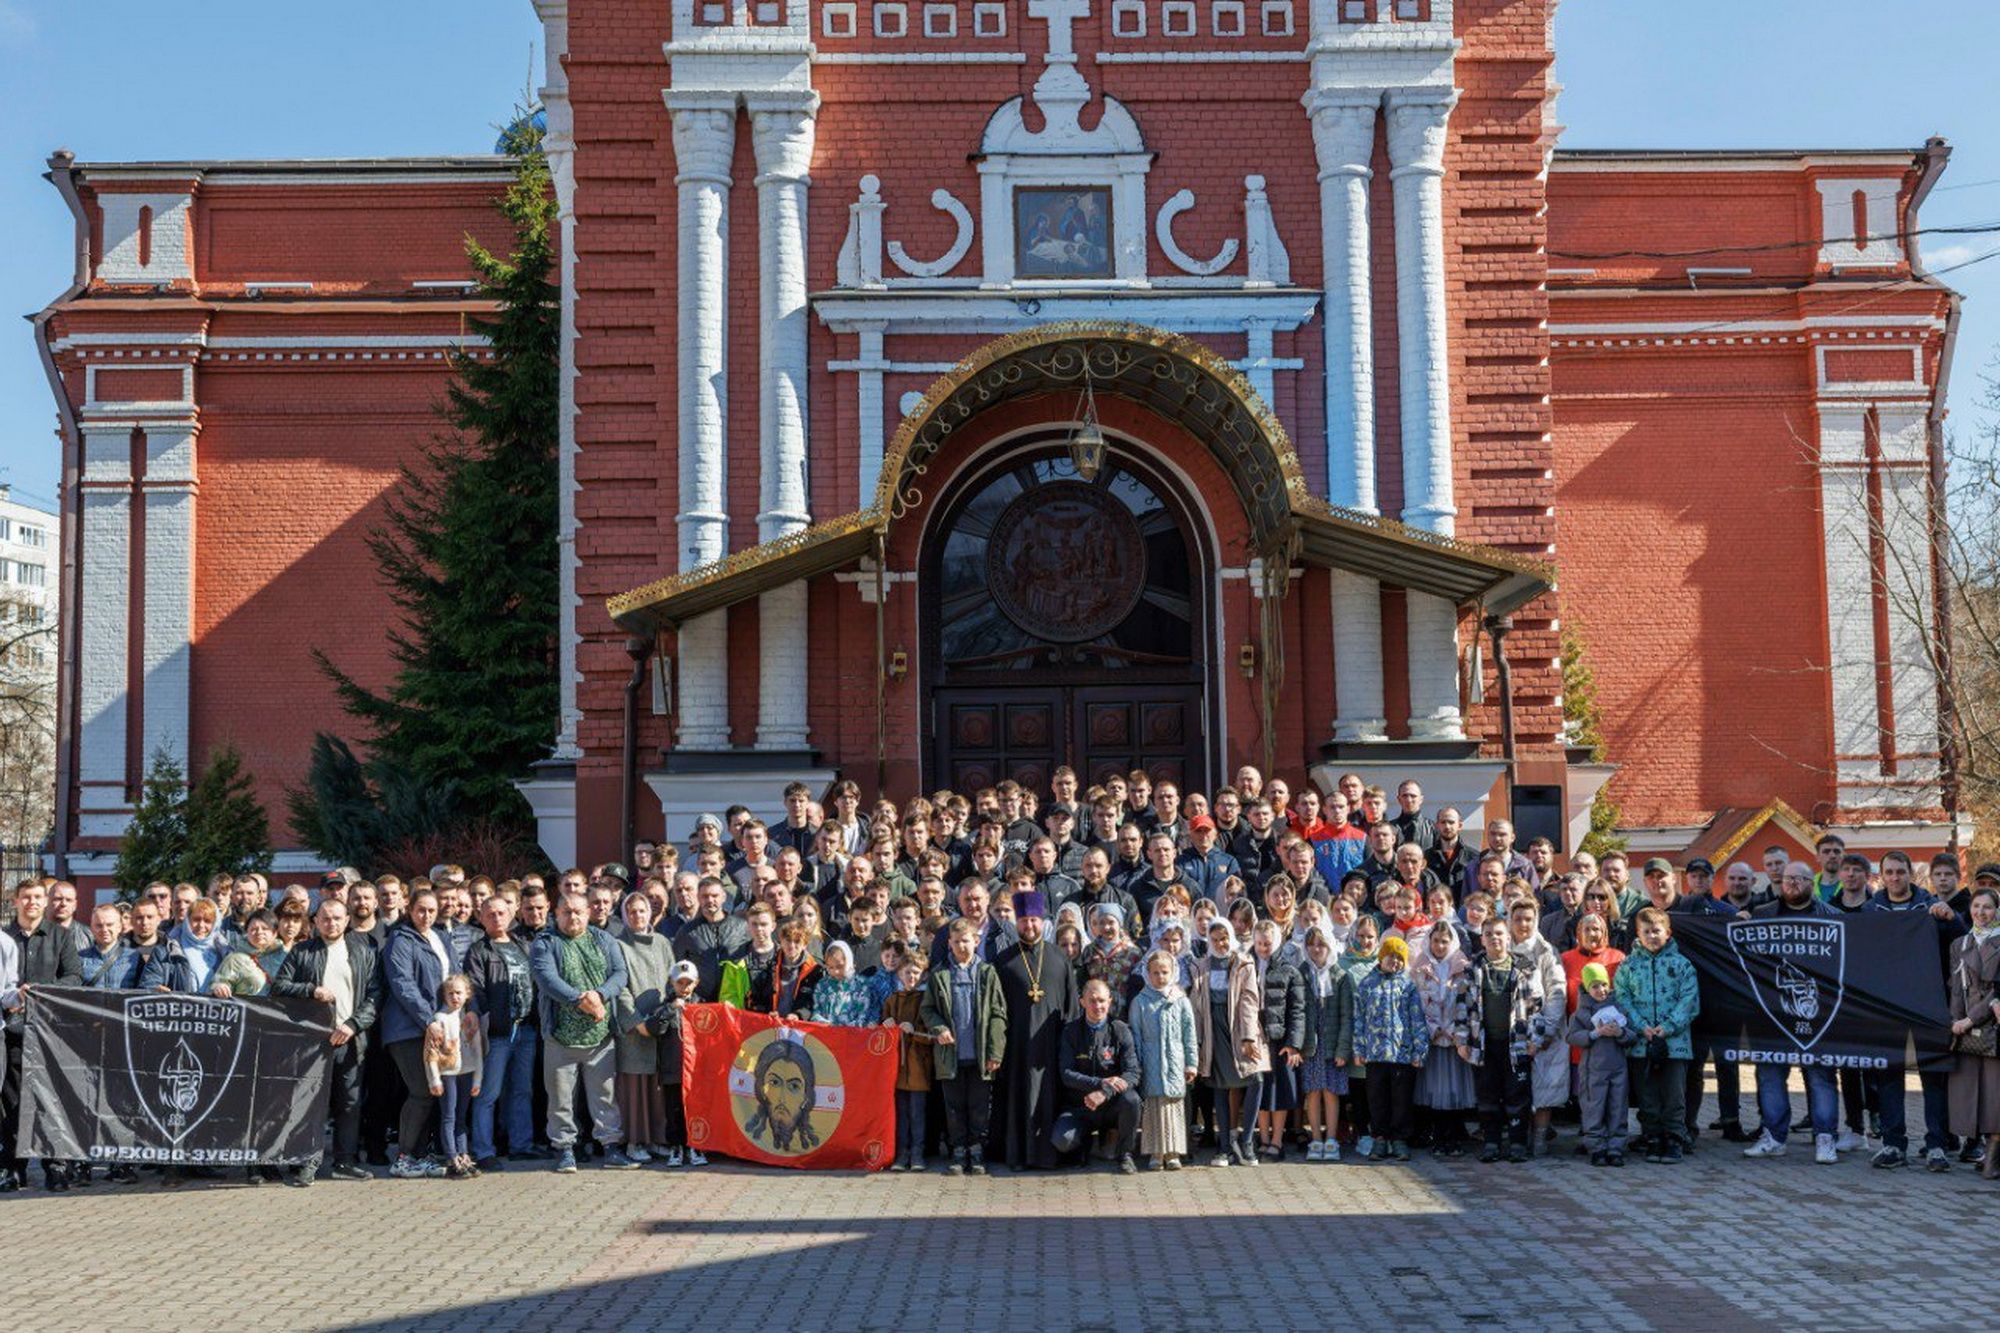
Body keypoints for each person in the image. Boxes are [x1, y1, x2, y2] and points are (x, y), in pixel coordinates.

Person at [271, 896, 379, 1184]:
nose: (331, 923)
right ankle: (307, 1162)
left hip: (350, 1039)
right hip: (312, 1042)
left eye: (337, 918)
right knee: (310, 1103)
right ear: (316, 922)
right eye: (326, 918)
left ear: (347, 921)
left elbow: (375, 995)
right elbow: (279, 987)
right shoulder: (302, 952)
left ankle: (345, 1161)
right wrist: (311, 990)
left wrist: (353, 1024)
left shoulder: (363, 952)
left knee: (349, 1103)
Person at [531, 890, 640, 1174]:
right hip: (560, 1037)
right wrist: (583, 1001)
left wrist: (599, 995)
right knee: (560, 1098)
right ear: (556, 914)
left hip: (600, 1037)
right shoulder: (545, 942)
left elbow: (620, 973)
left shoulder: (604, 940)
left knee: (604, 1096)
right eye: (566, 912)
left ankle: (611, 1147)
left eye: (578, 911)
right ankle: (565, 1149)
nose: (573, 917)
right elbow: (547, 979)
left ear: (588, 913)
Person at [1743, 862, 1844, 1164]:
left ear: (1812, 883)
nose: (1793, 884)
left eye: (1800, 879)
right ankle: (1774, 1137)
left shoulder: (1832, 916)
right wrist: (1739, 922)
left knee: (1821, 1076)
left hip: (1818, 1011)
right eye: (1789, 879)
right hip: (1773, 1010)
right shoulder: (1762, 915)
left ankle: (1825, 1138)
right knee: (1770, 1073)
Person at [991, 890, 1078, 1171]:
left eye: (1034, 920)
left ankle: (1050, 1156)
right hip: (1016, 1047)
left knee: (1050, 1099)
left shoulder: (1059, 958)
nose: (1029, 926)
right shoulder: (1004, 961)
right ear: (1016, 922)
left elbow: (1072, 1006)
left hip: (1052, 1046)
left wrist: (1069, 1046)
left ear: (1043, 921)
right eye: (1024, 920)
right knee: (1018, 1099)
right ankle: (1019, 1156)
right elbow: (996, 1009)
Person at [921, 918, 1007, 1177]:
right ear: (949, 943)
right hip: (950, 1056)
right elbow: (928, 1009)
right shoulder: (940, 974)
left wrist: (995, 1051)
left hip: (979, 1056)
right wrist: (939, 1028)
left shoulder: (987, 973)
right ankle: (958, 1151)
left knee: (979, 1107)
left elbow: (998, 1014)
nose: (961, 946)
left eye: (966, 941)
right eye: (956, 941)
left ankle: (977, 1151)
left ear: (976, 941)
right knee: (954, 1107)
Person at [462, 892, 543, 1168]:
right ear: (481, 918)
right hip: (497, 1034)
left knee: (522, 1091)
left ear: (511, 915)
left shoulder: (523, 945)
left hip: (526, 1030)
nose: (497, 918)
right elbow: (475, 990)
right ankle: (484, 1151)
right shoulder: (479, 951)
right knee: (488, 1094)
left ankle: (521, 1145)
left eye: (501, 913)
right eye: (490, 914)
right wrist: (486, 1021)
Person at [1614, 907, 1700, 1164]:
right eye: (1646, 932)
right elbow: (1622, 998)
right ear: (1638, 934)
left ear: (1667, 933)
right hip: (1641, 1042)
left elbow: (1689, 1000)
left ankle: (1674, 1138)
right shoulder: (1628, 966)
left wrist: (1668, 1027)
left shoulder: (1682, 965)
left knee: (1674, 1094)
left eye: (1656, 931)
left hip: (1675, 1043)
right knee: (1647, 1094)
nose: (1652, 936)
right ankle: (1652, 1136)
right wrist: (1641, 1026)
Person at [1458, 918, 1546, 1164]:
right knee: (1487, 1095)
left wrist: (1535, 1039)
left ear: (1508, 937)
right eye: (1488, 934)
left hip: (1516, 1045)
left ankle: (1517, 1143)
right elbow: (1463, 1007)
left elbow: (1537, 1006)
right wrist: (1462, 1040)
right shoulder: (1472, 968)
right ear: (1482, 939)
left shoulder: (1525, 967)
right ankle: (1491, 1143)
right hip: (1483, 1045)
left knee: (1518, 1095)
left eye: (1499, 933)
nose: (1494, 938)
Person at [1191, 919, 1265, 1168]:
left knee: (1255, 1078)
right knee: (1219, 1085)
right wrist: (1198, 1040)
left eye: (1223, 938)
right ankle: (1224, 1146)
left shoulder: (1243, 962)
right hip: (1213, 1028)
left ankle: (1246, 1141)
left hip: (1238, 1027)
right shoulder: (1201, 966)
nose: (1220, 944)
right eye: (1215, 939)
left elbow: (1250, 1000)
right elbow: (1197, 1004)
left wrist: (1248, 1036)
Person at [1054, 979, 1144, 1174]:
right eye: (1092, 1001)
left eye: (1102, 1001)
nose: (1098, 1006)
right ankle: (1084, 1144)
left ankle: (1125, 1154)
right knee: (1063, 1141)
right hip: (1080, 1105)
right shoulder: (1070, 1031)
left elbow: (1133, 1072)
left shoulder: (1120, 1029)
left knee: (1132, 1101)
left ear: (1110, 1001)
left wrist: (1105, 1092)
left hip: (1112, 1104)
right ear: (1082, 1002)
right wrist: (1099, 1083)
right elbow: (1066, 1074)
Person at [613, 891, 677, 1163]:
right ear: (625, 915)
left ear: (649, 913)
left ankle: (657, 1140)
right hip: (635, 1029)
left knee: (657, 1088)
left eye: (642, 910)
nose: (637, 916)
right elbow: (619, 988)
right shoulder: (618, 945)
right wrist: (636, 1021)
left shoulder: (662, 942)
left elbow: (673, 977)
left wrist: (667, 1012)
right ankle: (635, 1141)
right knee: (635, 1088)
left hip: (660, 1024)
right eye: (632, 911)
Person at [1354, 935, 1427, 1161]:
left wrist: (1419, 1050)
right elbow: (1359, 1018)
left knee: (1401, 1099)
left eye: (1399, 958)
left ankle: (1399, 1139)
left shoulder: (1408, 986)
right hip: (1375, 1054)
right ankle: (1380, 1137)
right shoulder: (1367, 984)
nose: (1395, 962)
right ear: (1381, 957)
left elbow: (1417, 1019)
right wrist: (1359, 1049)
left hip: (1401, 1054)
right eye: (1390, 957)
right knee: (1377, 1098)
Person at [1947, 886, 2000, 1178]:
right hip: (1966, 1030)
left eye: (1987, 907)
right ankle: (1979, 1150)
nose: (1981, 912)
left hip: (1993, 1027)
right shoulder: (1960, 943)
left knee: (1994, 1096)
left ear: (1997, 911)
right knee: (1971, 1094)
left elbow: (1995, 991)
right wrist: (1955, 1022)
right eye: (1976, 906)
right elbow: (1956, 988)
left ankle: (1992, 1159)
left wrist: (1969, 1020)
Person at [1129, 950, 1198, 1171]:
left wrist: (1191, 1063)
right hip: (1151, 1061)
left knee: (1173, 1105)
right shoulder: (1140, 1002)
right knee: (1154, 1106)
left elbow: (1189, 1034)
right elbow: (1135, 1036)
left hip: (1175, 1060)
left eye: (1165, 972)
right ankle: (1156, 1152)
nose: (1160, 977)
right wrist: (1137, 1065)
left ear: (1173, 972)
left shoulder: (1180, 1000)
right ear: (1147, 974)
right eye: (1155, 973)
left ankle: (1173, 1152)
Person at [1413, 919, 1475, 1158]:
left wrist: (1454, 1029)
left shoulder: (1462, 967)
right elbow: (1417, 1002)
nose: (1439, 946)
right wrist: (1433, 1029)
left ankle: (1454, 1138)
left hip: (1455, 1040)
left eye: (1444, 941)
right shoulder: (1421, 967)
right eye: (1436, 941)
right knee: (1435, 1091)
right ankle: (1439, 1138)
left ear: (1452, 942)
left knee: (1454, 1091)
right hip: (1433, 1041)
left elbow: (1468, 1001)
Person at [1249, 919, 1306, 1160]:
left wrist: (1294, 1043)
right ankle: (1263, 1139)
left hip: (1280, 1038)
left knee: (1279, 1090)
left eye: (1268, 944)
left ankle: (1277, 1140)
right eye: (1260, 943)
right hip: (1255, 1036)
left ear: (1278, 943)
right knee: (1260, 1088)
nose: (1264, 948)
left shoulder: (1289, 970)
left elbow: (1297, 1009)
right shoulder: (1246, 965)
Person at [1567, 961, 1634, 1166]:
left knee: (1618, 1107)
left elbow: (1632, 1036)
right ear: (1587, 988)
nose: (1601, 990)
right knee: (1593, 1108)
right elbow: (1572, 1037)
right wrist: (1595, 1033)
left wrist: (1620, 1033)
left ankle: (1615, 1148)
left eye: (1604, 984)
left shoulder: (1619, 1008)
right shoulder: (1581, 1013)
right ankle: (1597, 1148)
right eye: (1595, 986)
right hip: (1593, 1071)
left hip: (1618, 1069)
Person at [423, 973, 484, 1180]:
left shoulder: (470, 1019)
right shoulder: (439, 1019)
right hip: (447, 1074)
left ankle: (463, 1154)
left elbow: (478, 1053)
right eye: (450, 993)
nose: (455, 997)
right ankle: (451, 1158)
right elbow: (431, 1054)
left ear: (467, 994)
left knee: (461, 1117)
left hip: (466, 1072)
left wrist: (477, 1079)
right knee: (448, 1116)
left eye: (459, 993)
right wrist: (434, 1079)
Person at [882, 952, 934, 1171]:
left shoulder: (926, 1000)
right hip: (896, 1069)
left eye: (916, 972)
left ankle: (917, 1154)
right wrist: (885, 1024)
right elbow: (881, 1032)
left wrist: (915, 1030)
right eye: (907, 972)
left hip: (918, 1067)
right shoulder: (892, 1000)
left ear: (923, 975)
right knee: (901, 1114)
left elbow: (932, 1035)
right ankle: (901, 1154)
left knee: (917, 1114)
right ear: (899, 974)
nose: (911, 977)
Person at [654, 960, 703, 1167]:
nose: (684, 987)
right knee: (673, 1111)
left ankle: (695, 1145)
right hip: (672, 1069)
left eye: (688, 983)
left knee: (696, 1109)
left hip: (696, 1071)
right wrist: (670, 1009)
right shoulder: (664, 1006)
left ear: (696, 983)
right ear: (672, 983)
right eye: (680, 983)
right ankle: (676, 1146)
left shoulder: (703, 1006)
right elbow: (656, 1029)